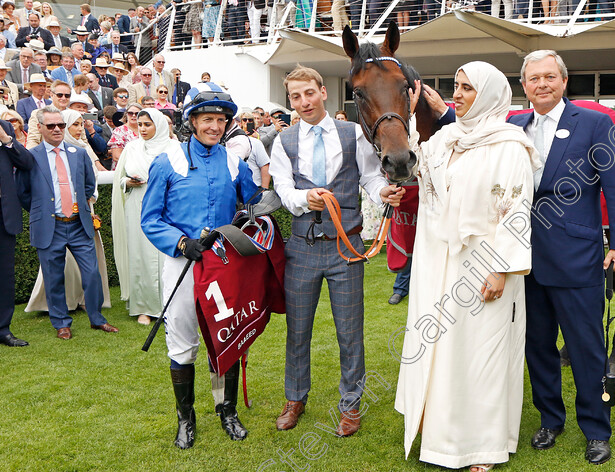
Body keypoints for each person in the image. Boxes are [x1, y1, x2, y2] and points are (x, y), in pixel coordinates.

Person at [395, 61, 536, 472]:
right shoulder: (446, 139)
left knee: (480, 356)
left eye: (467, 88)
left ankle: (483, 446)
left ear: (490, 94)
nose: (457, 95)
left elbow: (515, 212)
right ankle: (441, 439)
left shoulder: (510, 146)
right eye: (456, 86)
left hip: (485, 267)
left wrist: (501, 269)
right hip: (438, 265)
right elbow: (419, 170)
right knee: (443, 352)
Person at [509, 49, 615, 465]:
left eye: (549, 77)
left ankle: (596, 429)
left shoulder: (595, 123)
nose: (541, 84)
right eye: (533, 79)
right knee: (537, 345)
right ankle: (550, 419)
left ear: (564, 81)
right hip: (523, 258)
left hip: (577, 256)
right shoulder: (512, 125)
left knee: (585, 347)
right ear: (523, 85)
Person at [269, 65, 403, 437]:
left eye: (309, 93)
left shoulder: (352, 133)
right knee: (297, 331)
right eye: (295, 97)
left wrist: (383, 192)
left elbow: (372, 177)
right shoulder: (284, 140)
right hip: (302, 248)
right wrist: (303, 197)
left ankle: (351, 404)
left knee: (350, 332)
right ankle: (295, 398)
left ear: (323, 92)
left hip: (347, 248)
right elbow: (282, 188)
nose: (303, 102)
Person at [141, 83, 261, 449]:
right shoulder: (167, 161)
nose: (215, 126)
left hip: (224, 267)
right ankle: (185, 418)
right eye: (208, 119)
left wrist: (259, 208)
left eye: (221, 120)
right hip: (181, 264)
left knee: (226, 337)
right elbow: (151, 218)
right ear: (192, 121)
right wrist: (182, 243)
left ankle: (227, 411)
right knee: (181, 340)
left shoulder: (234, 162)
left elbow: (253, 203)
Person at [15, 106, 116, 340]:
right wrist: (43, 211)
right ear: (40, 128)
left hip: (79, 224)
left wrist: (78, 206)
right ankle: (61, 323)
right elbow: (23, 192)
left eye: (61, 124)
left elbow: (89, 185)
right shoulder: (31, 156)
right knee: (54, 277)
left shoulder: (78, 153)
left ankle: (97, 319)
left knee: (92, 274)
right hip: (50, 227)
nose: (58, 129)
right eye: (51, 126)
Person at [0, 79, 35, 347]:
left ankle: (0, 330)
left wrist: (5, 140)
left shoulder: (1, 126)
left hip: (3, 212)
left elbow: (27, 162)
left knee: (2, 276)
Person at [111, 109, 170, 325]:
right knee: (139, 254)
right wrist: (127, 182)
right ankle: (143, 306)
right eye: (141, 124)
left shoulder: (173, 148)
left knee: (165, 257)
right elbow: (119, 178)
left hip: (166, 208)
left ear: (159, 125)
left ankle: (169, 305)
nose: (143, 129)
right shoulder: (132, 147)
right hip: (137, 206)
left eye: (148, 124)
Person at [108, 102, 141, 166]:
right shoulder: (119, 131)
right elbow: (116, 156)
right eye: (130, 113)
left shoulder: (144, 130)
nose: (134, 116)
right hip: (124, 167)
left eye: (137, 113)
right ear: (126, 114)